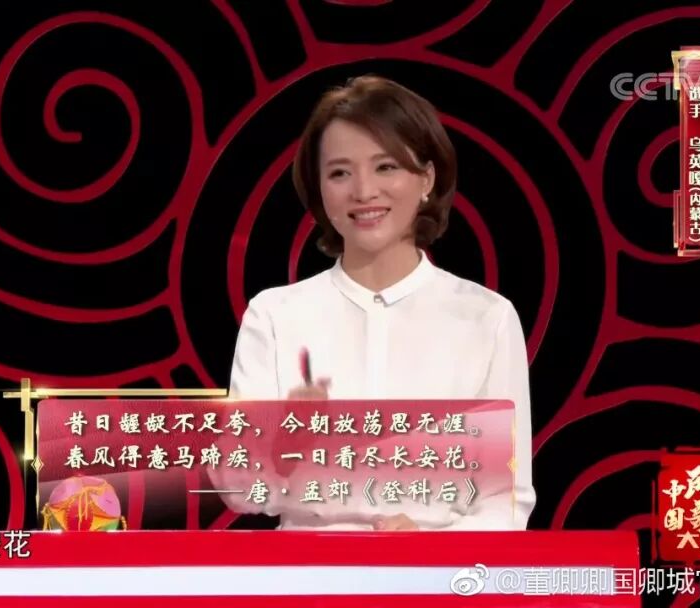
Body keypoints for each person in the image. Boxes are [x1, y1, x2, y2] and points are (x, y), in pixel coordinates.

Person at [224, 75, 535, 531]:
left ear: (426, 178)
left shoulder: (486, 318)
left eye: (386, 167)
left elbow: (505, 501)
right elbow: (236, 488)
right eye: (340, 173)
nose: (364, 191)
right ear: (319, 188)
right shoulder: (274, 315)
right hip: (307, 570)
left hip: (440, 572)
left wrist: (431, 550)